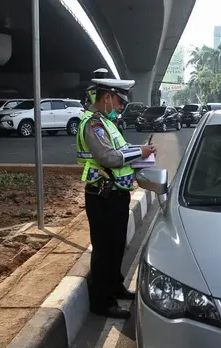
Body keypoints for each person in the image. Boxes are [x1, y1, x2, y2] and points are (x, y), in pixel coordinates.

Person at [77, 75, 156, 319]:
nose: (121, 108)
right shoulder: (93, 125)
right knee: (104, 249)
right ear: (108, 98)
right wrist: (139, 152)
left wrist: (140, 153)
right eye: (120, 102)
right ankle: (102, 301)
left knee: (116, 246)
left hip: (116, 193)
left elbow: (120, 151)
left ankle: (115, 286)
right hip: (102, 195)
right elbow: (109, 158)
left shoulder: (108, 123)